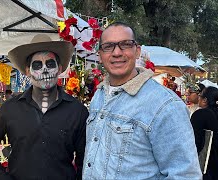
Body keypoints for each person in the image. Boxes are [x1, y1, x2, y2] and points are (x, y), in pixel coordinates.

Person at [82, 22, 202, 179]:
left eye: (125, 44)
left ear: (137, 51)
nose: (117, 52)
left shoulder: (165, 105)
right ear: (100, 55)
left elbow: (185, 175)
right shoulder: (100, 95)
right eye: (108, 46)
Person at [0, 34, 88, 179]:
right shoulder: (9, 109)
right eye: (37, 65)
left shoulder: (77, 111)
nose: (45, 70)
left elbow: (85, 161)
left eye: (50, 64)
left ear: (59, 69)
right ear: (27, 71)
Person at [191, 86, 218, 180]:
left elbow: (194, 142)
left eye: (200, 95)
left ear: (205, 100)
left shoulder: (201, 114)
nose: (198, 96)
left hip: (208, 167)